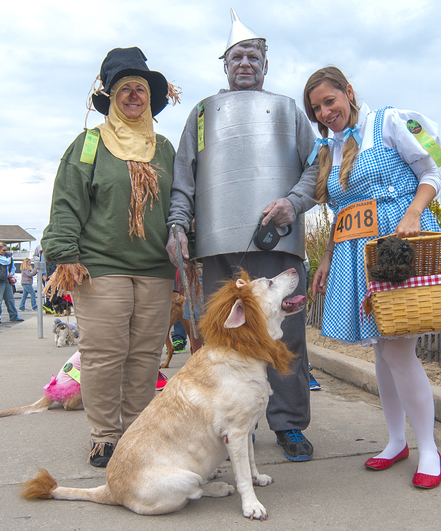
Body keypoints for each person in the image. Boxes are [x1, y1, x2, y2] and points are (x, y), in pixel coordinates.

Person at [166, 9, 318, 462]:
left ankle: (289, 425)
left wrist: (293, 201)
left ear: (265, 65)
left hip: (279, 244)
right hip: (216, 247)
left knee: (285, 336)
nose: (245, 64)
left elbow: (317, 167)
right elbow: (183, 179)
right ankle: (238, 427)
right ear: (225, 66)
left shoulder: (290, 110)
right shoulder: (200, 114)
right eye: (236, 57)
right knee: (223, 338)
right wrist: (178, 224)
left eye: (253, 56)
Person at [306, 66, 441, 488]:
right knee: (382, 353)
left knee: (399, 351)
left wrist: (414, 212)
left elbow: (432, 172)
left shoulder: (388, 121)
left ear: (348, 92)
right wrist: (328, 259)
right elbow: (342, 214)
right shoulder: (327, 148)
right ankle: (396, 441)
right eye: (316, 108)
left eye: (330, 101)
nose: (325, 112)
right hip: (354, 253)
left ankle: (430, 449)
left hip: (397, 245)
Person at [42, 47, 178, 468]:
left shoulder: (165, 149)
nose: (134, 95)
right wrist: (65, 254)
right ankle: (105, 435)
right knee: (104, 356)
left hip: (156, 271)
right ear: (111, 96)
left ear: (150, 98)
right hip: (101, 269)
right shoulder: (89, 144)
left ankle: (136, 430)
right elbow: (67, 202)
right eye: (125, 88)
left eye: (141, 88)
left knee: (144, 356)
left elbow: (182, 203)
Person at [0, 242, 23, 324]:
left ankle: (13, 316)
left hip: (6, 279)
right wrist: (10, 258)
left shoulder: (7, 256)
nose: (5, 252)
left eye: (6, 250)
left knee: (10, 299)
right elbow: (5, 262)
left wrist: (12, 273)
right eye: (3, 250)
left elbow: (12, 266)